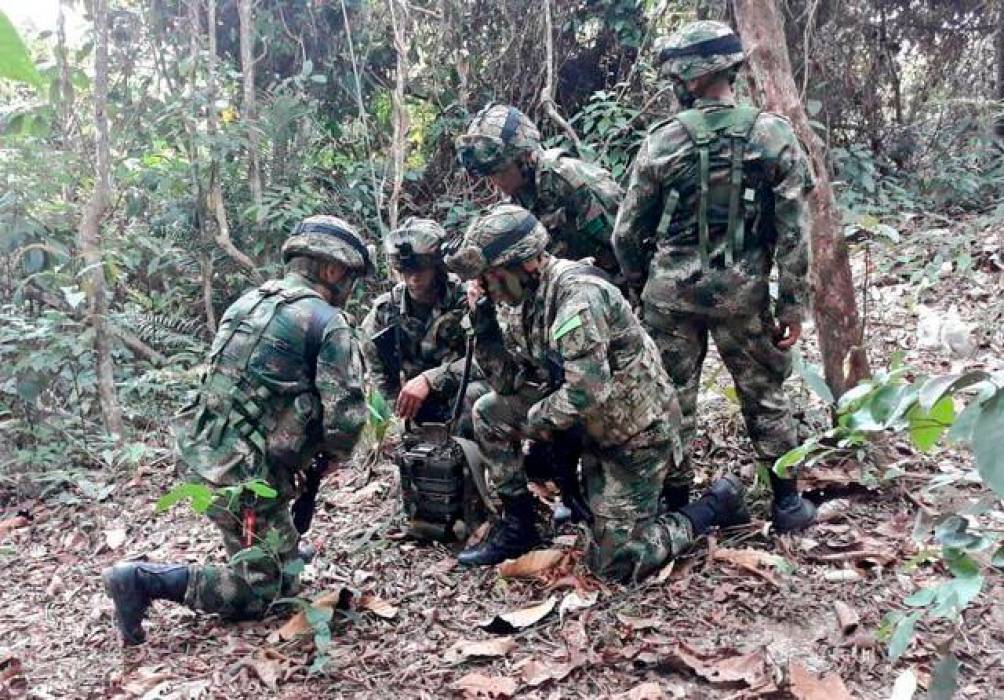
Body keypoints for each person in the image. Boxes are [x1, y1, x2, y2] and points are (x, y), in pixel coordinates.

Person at [103, 215, 372, 645]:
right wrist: (329, 455)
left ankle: (274, 550)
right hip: (241, 477)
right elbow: (345, 420)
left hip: (201, 454)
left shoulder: (248, 303)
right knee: (263, 593)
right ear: (332, 270)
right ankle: (140, 580)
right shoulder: (326, 322)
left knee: (284, 564)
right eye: (350, 278)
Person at [445, 203, 749, 582]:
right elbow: (507, 384)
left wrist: (538, 429)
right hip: (587, 424)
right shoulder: (516, 300)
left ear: (521, 265)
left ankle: (716, 504)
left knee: (616, 562)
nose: (484, 286)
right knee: (489, 412)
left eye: (489, 276)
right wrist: (484, 325)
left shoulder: (578, 297)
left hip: (635, 432)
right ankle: (519, 525)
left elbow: (586, 392)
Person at [612, 21, 816, 532]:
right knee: (764, 393)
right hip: (743, 295)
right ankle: (787, 503)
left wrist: (639, 284)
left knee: (671, 397)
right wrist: (792, 304)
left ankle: (676, 501)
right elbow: (795, 229)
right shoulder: (773, 135)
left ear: (690, 76)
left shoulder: (663, 141)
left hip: (669, 297)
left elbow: (626, 232)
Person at [455, 103, 623, 279]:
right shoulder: (516, 200)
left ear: (523, 157)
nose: (496, 182)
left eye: (500, 171)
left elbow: (625, 239)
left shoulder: (568, 179)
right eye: (489, 175)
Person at [360, 217, 487, 437]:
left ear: (438, 268)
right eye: (406, 271)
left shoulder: (466, 298)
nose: (414, 279)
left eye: (421, 270)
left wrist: (431, 379)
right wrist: (400, 407)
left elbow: (487, 360)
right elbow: (377, 368)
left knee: (473, 396)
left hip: (462, 393)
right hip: (419, 403)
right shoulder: (386, 310)